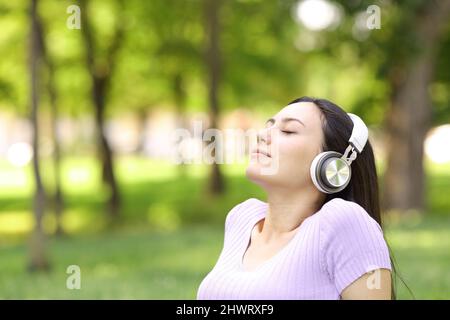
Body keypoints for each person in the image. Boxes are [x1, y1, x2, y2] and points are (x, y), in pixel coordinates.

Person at [197, 96, 393, 300]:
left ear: (331, 165)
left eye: (288, 131)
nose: (263, 135)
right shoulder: (242, 218)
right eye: (268, 126)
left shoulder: (344, 222)